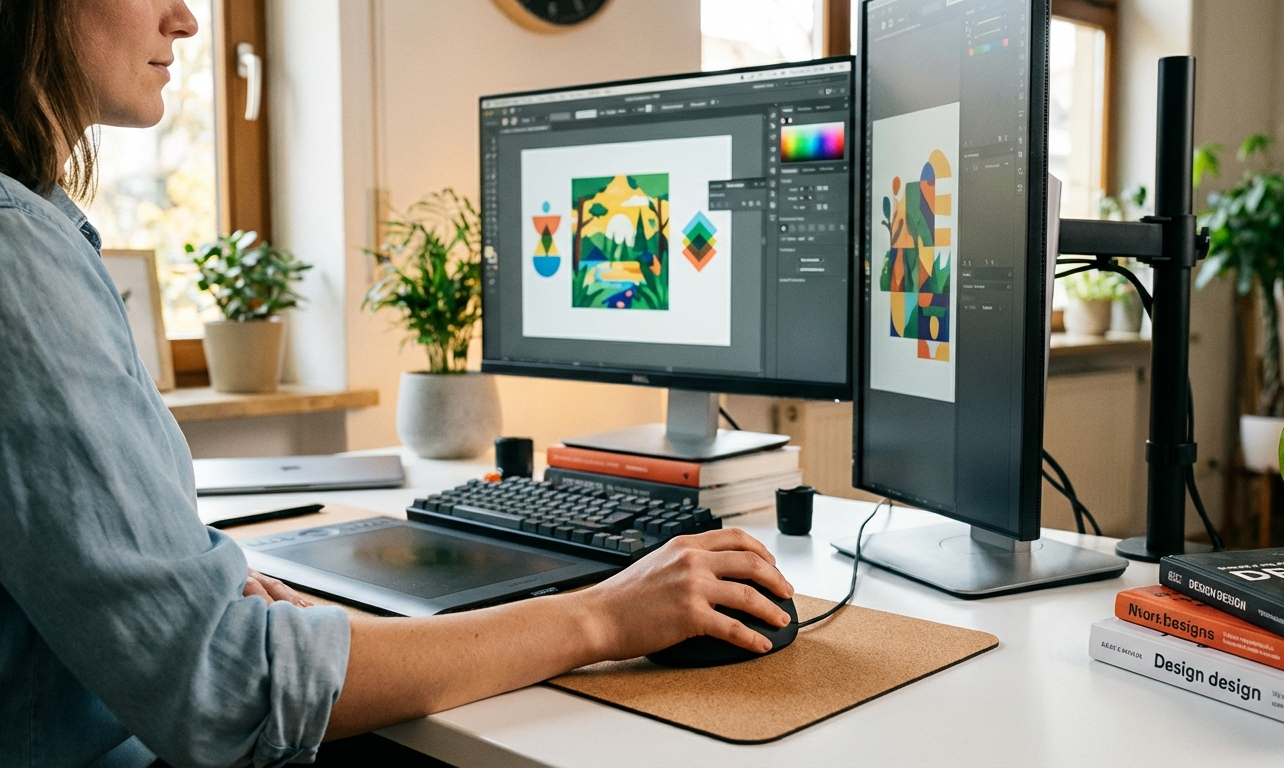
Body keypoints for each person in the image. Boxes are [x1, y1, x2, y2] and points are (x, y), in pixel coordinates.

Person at [0, 1, 794, 765]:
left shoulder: (37, 230)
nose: (186, 17)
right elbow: (229, 687)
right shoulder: (17, 253)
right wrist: (604, 616)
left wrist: (202, 585)